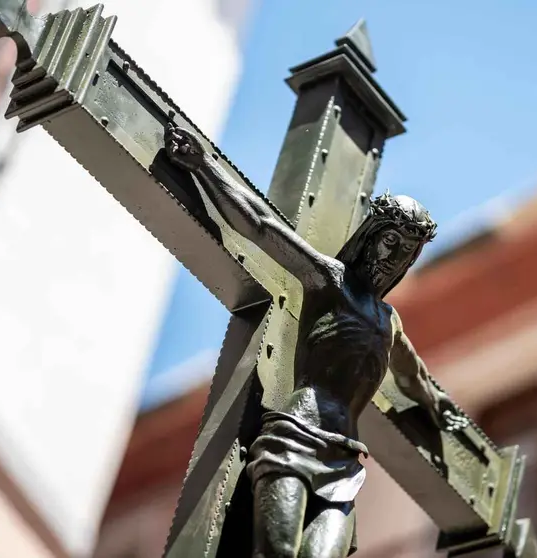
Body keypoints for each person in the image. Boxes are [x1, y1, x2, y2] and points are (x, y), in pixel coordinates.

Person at [166, 126, 468, 558]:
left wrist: (440, 409)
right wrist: (203, 166)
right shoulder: (330, 282)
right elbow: (260, 225)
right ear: (371, 236)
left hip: (345, 459)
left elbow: (413, 377)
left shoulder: (389, 322)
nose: (394, 257)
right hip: (296, 435)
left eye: (407, 251)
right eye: (390, 241)